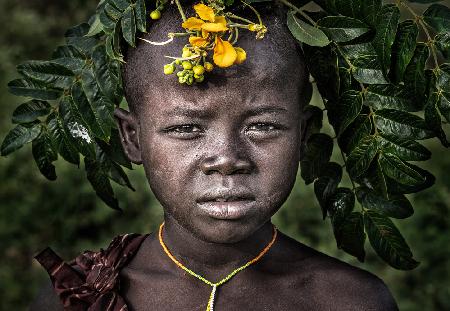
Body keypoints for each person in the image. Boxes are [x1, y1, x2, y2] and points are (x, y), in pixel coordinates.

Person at [30, 1, 398, 310]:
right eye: (186, 129)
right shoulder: (77, 296)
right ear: (132, 137)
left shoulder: (350, 301)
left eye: (263, 126)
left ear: (303, 136)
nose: (226, 159)